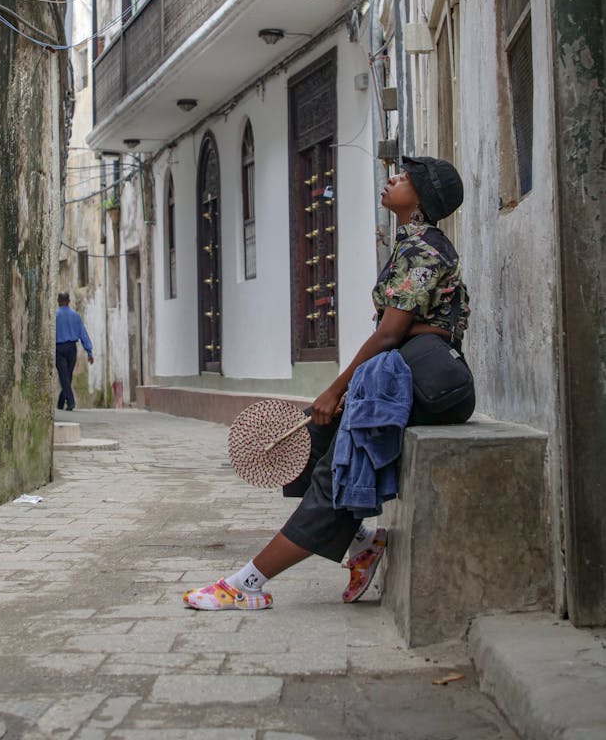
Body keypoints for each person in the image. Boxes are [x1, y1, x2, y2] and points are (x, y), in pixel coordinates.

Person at [183, 155, 473, 611]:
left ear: (419, 198)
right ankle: (362, 543)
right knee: (310, 434)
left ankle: (247, 584)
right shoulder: (409, 244)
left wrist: (337, 390)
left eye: (404, 177)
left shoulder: (424, 250)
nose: (392, 179)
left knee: (337, 470)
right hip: (400, 376)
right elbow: (403, 328)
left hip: (426, 386)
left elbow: (391, 333)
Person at [55, 292, 94, 411]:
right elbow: (83, 333)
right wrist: (89, 352)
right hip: (72, 348)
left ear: (58, 301)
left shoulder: (54, 315)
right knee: (68, 376)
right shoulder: (75, 316)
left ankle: (70, 402)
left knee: (64, 376)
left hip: (59, 348)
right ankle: (61, 402)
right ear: (69, 301)